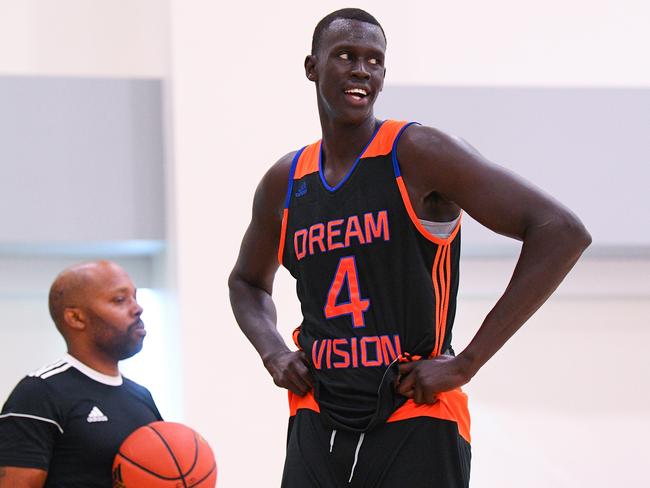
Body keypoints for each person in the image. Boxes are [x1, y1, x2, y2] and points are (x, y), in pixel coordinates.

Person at [229, 8, 591, 487]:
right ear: (312, 67)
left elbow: (561, 231)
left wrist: (467, 363)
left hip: (415, 413)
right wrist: (273, 351)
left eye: (374, 60)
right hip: (318, 415)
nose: (362, 70)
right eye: (345, 56)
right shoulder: (287, 181)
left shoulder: (418, 152)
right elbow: (247, 282)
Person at [0, 260, 162, 488]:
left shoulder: (141, 397)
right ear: (76, 318)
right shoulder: (39, 392)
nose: (137, 308)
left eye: (135, 297)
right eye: (119, 300)